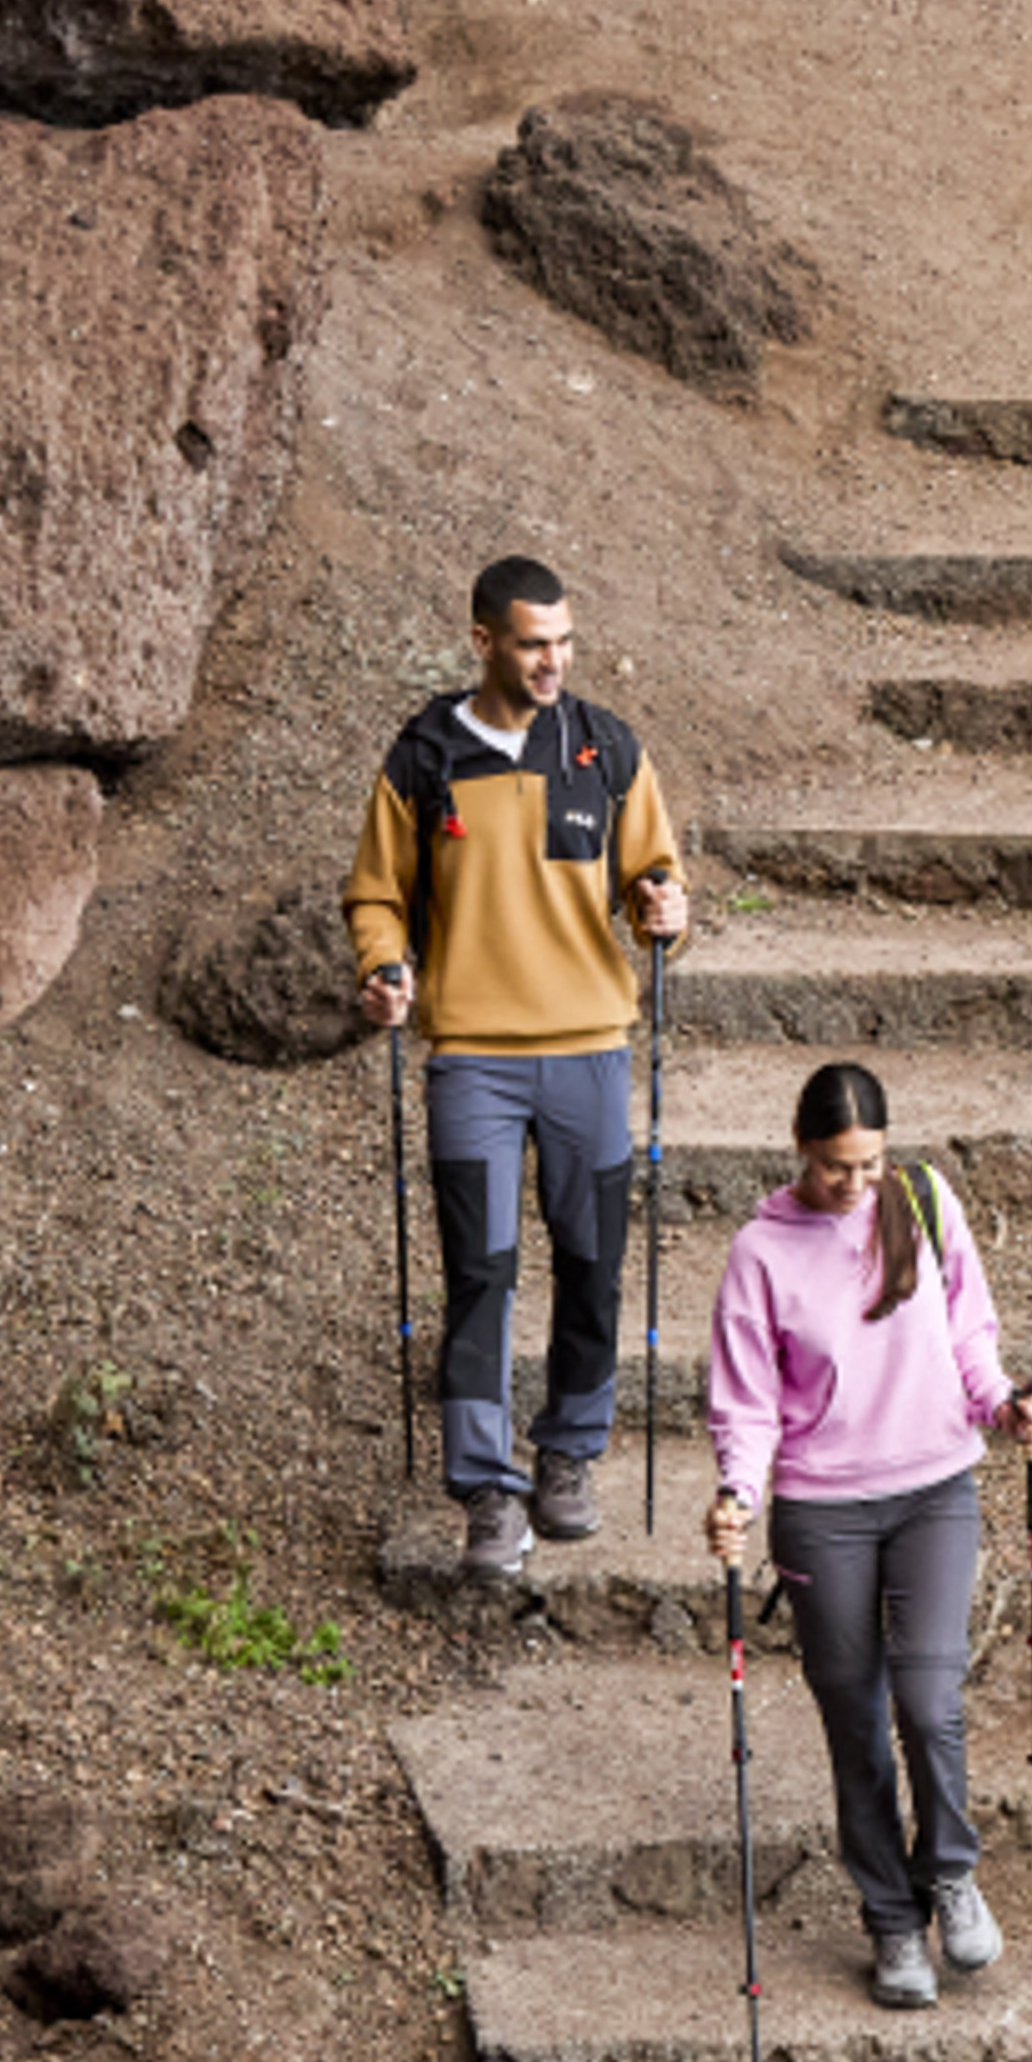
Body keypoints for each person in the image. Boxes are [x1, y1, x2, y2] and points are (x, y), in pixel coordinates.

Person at [344, 555, 691, 1579]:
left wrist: (667, 908)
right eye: (535, 642)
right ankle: (489, 1491)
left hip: (590, 1050)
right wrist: (384, 966)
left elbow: (654, 879)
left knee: (591, 1265)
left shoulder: (606, 748)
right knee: (479, 1276)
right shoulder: (424, 755)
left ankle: (570, 1454)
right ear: (484, 640)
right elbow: (375, 896)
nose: (555, 661)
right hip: (472, 1065)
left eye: (566, 641)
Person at [704, 1060, 1032, 2010]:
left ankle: (949, 1870)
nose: (853, 1187)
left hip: (935, 1485)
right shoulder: (761, 1253)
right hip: (822, 1510)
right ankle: (892, 1922)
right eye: (833, 1170)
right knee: (854, 1718)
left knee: (931, 1697)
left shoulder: (923, 1202)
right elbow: (746, 1402)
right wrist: (738, 1490)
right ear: (800, 1151)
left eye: (868, 1165)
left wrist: (1005, 1400)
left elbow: (969, 1332)